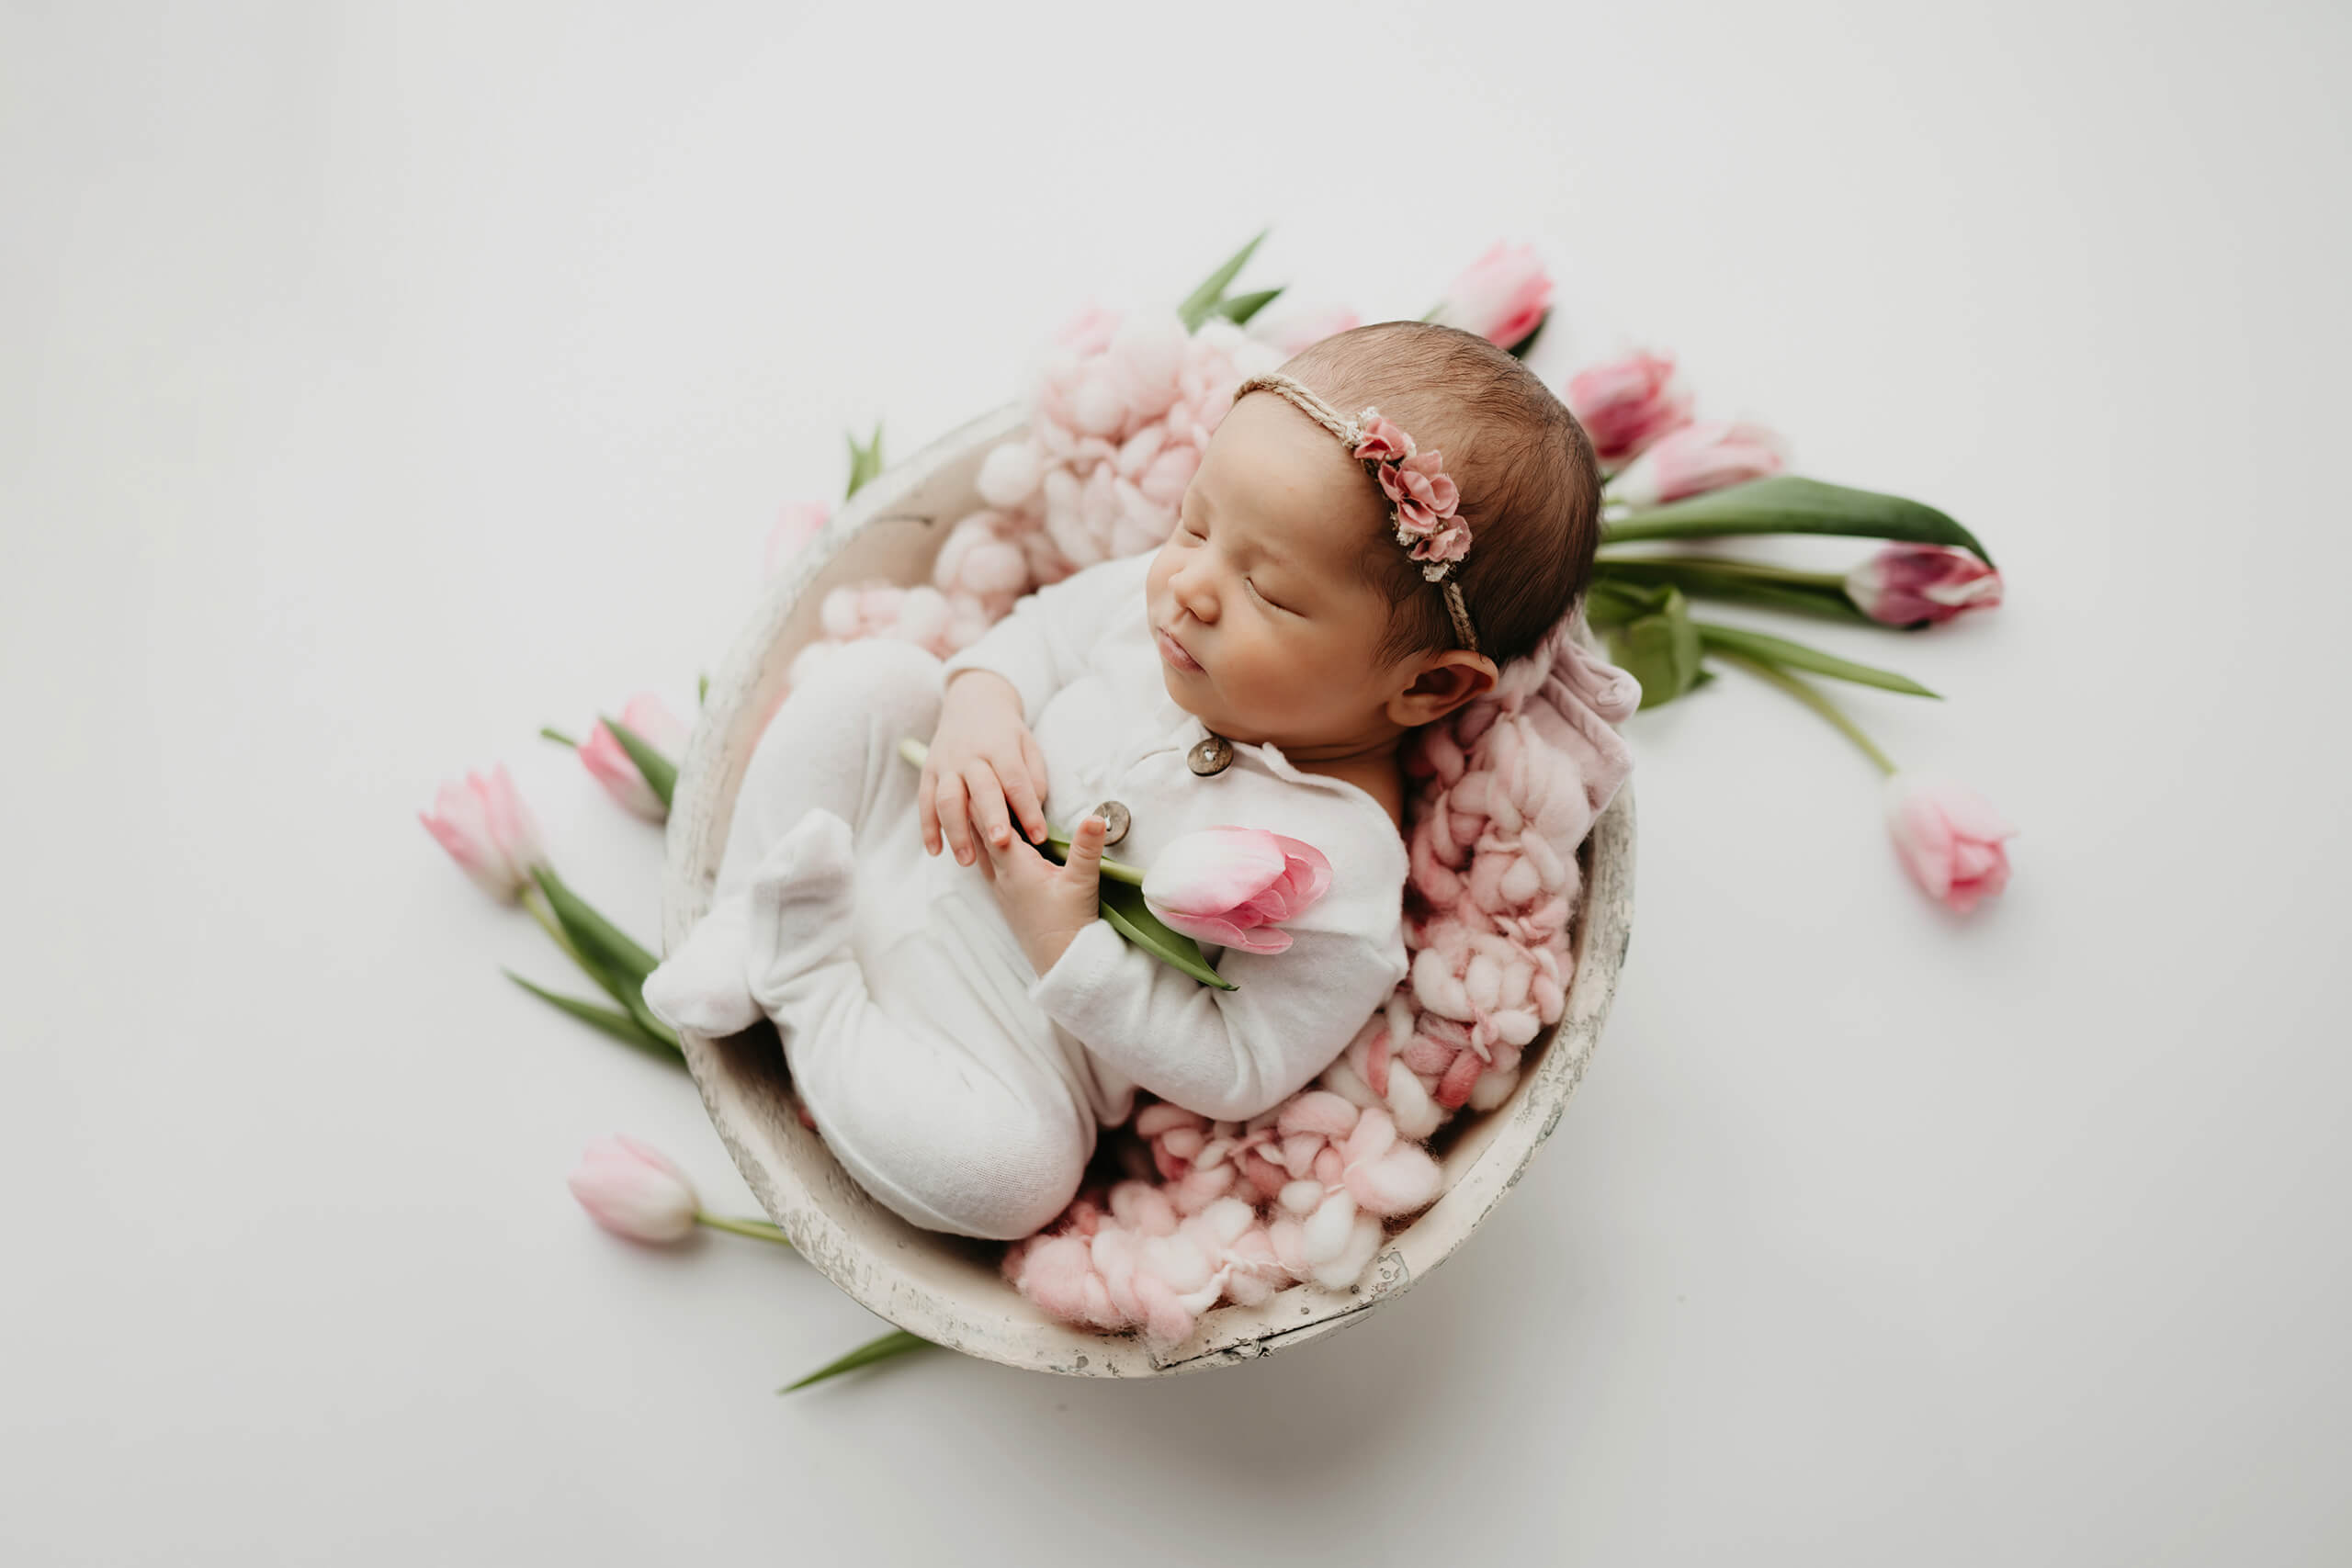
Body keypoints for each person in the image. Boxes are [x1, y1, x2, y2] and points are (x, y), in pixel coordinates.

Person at [642, 321, 1601, 1241]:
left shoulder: (1343, 871)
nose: (1188, 584)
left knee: (1015, 1179)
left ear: (1427, 686)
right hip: (905, 827)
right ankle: (744, 912)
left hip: (997, 1043)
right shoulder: (1167, 608)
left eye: (1268, 590)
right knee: (876, 680)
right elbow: (1039, 630)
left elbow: (1243, 1066)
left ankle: (806, 982)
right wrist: (982, 707)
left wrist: (1070, 950)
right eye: (1194, 523)